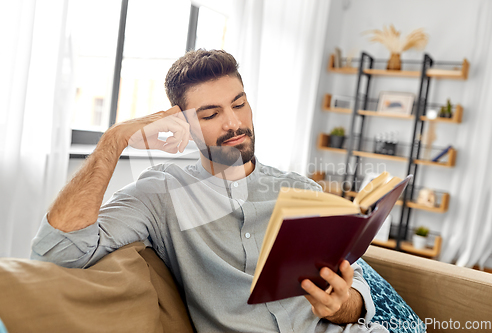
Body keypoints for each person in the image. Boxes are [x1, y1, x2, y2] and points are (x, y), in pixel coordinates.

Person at [31, 49, 377, 333]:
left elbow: (357, 293)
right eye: (211, 114)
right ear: (183, 124)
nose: (233, 123)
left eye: (239, 105)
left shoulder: (301, 190)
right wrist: (114, 140)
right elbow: (57, 251)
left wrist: (341, 305)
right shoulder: (160, 195)